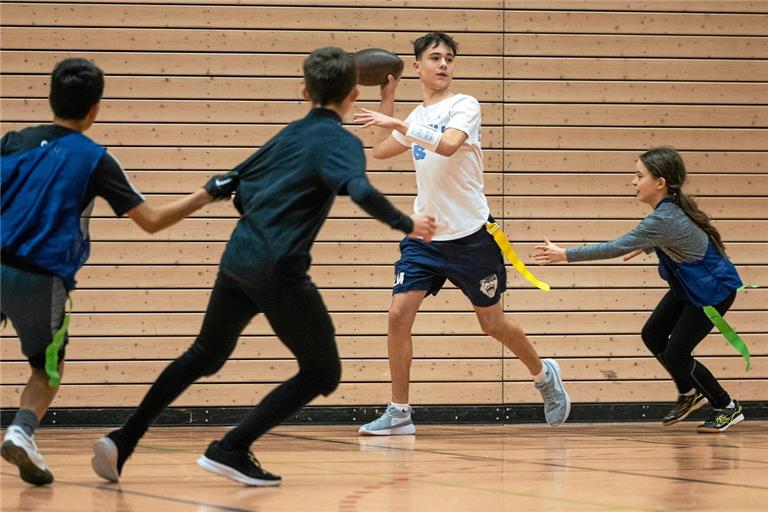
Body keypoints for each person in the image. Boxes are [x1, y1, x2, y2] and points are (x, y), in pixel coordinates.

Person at [90, 47, 437, 486]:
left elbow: (235, 186)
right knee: (322, 371)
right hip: (279, 269)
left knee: (204, 354)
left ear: (305, 90)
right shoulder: (341, 143)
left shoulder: (289, 135)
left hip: (238, 259)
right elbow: (360, 190)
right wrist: (407, 224)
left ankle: (124, 438)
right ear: (353, 94)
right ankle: (231, 448)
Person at [0, 58, 237, 486]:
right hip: (41, 276)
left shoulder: (12, 141)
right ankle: (21, 430)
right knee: (45, 370)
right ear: (95, 110)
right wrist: (206, 194)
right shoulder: (94, 158)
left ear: (50, 98)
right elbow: (150, 220)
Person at [354, 32, 570, 436]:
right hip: (425, 235)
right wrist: (389, 96)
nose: (443, 65)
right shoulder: (415, 116)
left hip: (471, 236)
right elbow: (381, 150)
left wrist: (399, 122)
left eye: (449, 59)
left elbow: (449, 146)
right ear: (416, 66)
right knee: (398, 315)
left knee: (493, 325)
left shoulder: (464, 106)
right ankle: (399, 412)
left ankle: (544, 376)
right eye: (435, 58)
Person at [534, 146, 745, 433]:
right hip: (690, 286)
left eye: (639, 176)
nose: (633, 182)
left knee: (676, 354)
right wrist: (650, 243)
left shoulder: (663, 219)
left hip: (712, 291)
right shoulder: (669, 210)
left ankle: (726, 406)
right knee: (653, 334)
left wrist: (565, 254)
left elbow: (614, 247)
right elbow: (682, 237)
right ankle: (689, 393)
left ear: (660, 183)